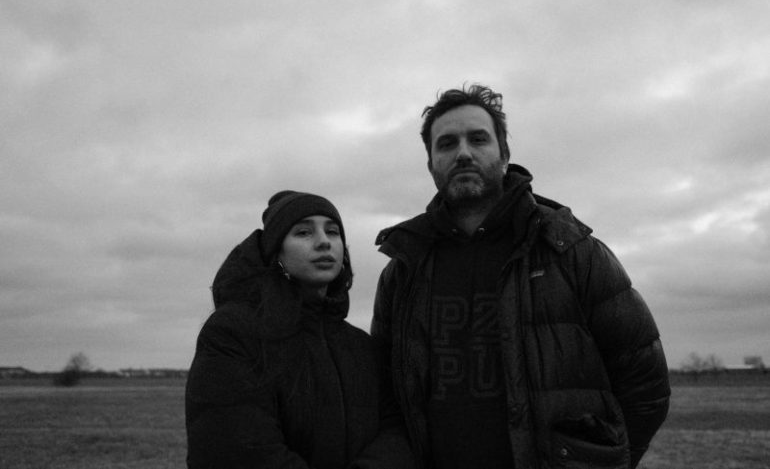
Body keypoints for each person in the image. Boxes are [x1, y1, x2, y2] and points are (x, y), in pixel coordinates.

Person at [371, 84, 670, 469]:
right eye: (446, 144)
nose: (463, 153)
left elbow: (646, 383)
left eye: (478, 139)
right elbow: (384, 395)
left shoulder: (569, 250)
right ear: (431, 164)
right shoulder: (403, 270)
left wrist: (603, 461)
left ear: (505, 154)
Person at [186, 191, 415, 469]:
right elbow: (237, 449)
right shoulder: (234, 332)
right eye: (304, 232)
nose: (323, 242)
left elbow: (396, 429)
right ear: (276, 251)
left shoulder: (361, 347)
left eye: (333, 232)